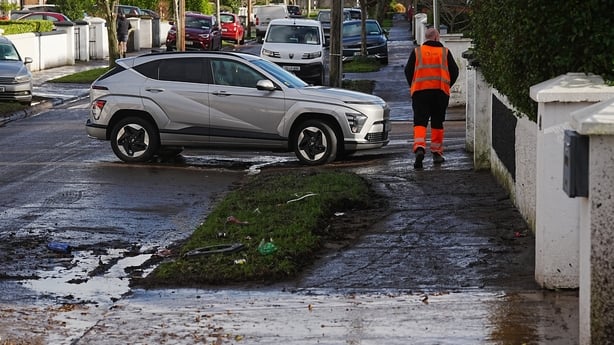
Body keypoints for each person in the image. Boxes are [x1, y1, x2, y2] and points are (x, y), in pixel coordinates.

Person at [404, 27, 459, 169]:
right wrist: (447, 85)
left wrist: (414, 85)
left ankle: (420, 148)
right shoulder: (445, 52)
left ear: (426, 38)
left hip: (420, 92)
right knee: (437, 122)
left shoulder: (417, 52)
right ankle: (436, 153)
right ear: (436, 38)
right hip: (440, 92)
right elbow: (455, 71)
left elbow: (408, 71)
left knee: (420, 122)